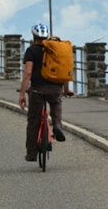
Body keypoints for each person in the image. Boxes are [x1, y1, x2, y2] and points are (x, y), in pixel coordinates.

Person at [19, 23, 74, 161]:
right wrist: (66, 89)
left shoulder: (31, 50)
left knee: (33, 120)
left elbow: (28, 73)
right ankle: (57, 125)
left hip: (37, 89)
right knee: (56, 103)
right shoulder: (55, 50)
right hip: (55, 88)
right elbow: (63, 71)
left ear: (33, 36)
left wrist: (22, 94)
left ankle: (31, 154)